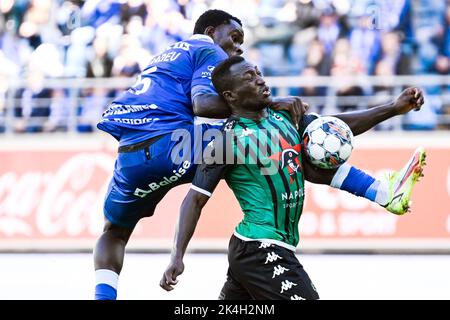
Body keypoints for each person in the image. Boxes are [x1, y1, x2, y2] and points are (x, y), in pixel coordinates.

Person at [94, 10, 425, 300]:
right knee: (280, 140)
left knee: (113, 233)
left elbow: (328, 126)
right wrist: (270, 102)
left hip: (131, 153)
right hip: (176, 142)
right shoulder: (207, 50)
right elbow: (204, 105)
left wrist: (393, 108)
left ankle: (103, 294)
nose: (238, 48)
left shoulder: (165, 56)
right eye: (235, 38)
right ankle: (381, 191)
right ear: (211, 32)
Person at [159, 56, 426, 300]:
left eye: (259, 72)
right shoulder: (225, 142)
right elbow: (194, 200)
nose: (260, 79)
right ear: (231, 95)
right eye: (249, 77)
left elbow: (337, 128)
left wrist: (393, 107)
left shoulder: (285, 116)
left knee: (311, 163)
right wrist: (176, 257)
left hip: (264, 247)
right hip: (260, 248)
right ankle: (383, 192)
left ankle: (382, 192)